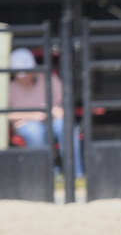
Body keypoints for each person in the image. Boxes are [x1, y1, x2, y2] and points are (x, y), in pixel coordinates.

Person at [6, 47, 82, 177]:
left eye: (27, 72)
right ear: (13, 73)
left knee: (66, 126)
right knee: (34, 131)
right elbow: (6, 114)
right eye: (20, 73)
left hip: (53, 121)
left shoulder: (50, 79)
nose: (24, 77)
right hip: (27, 125)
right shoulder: (9, 88)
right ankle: (48, 176)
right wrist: (33, 115)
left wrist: (58, 112)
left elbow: (64, 102)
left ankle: (76, 175)